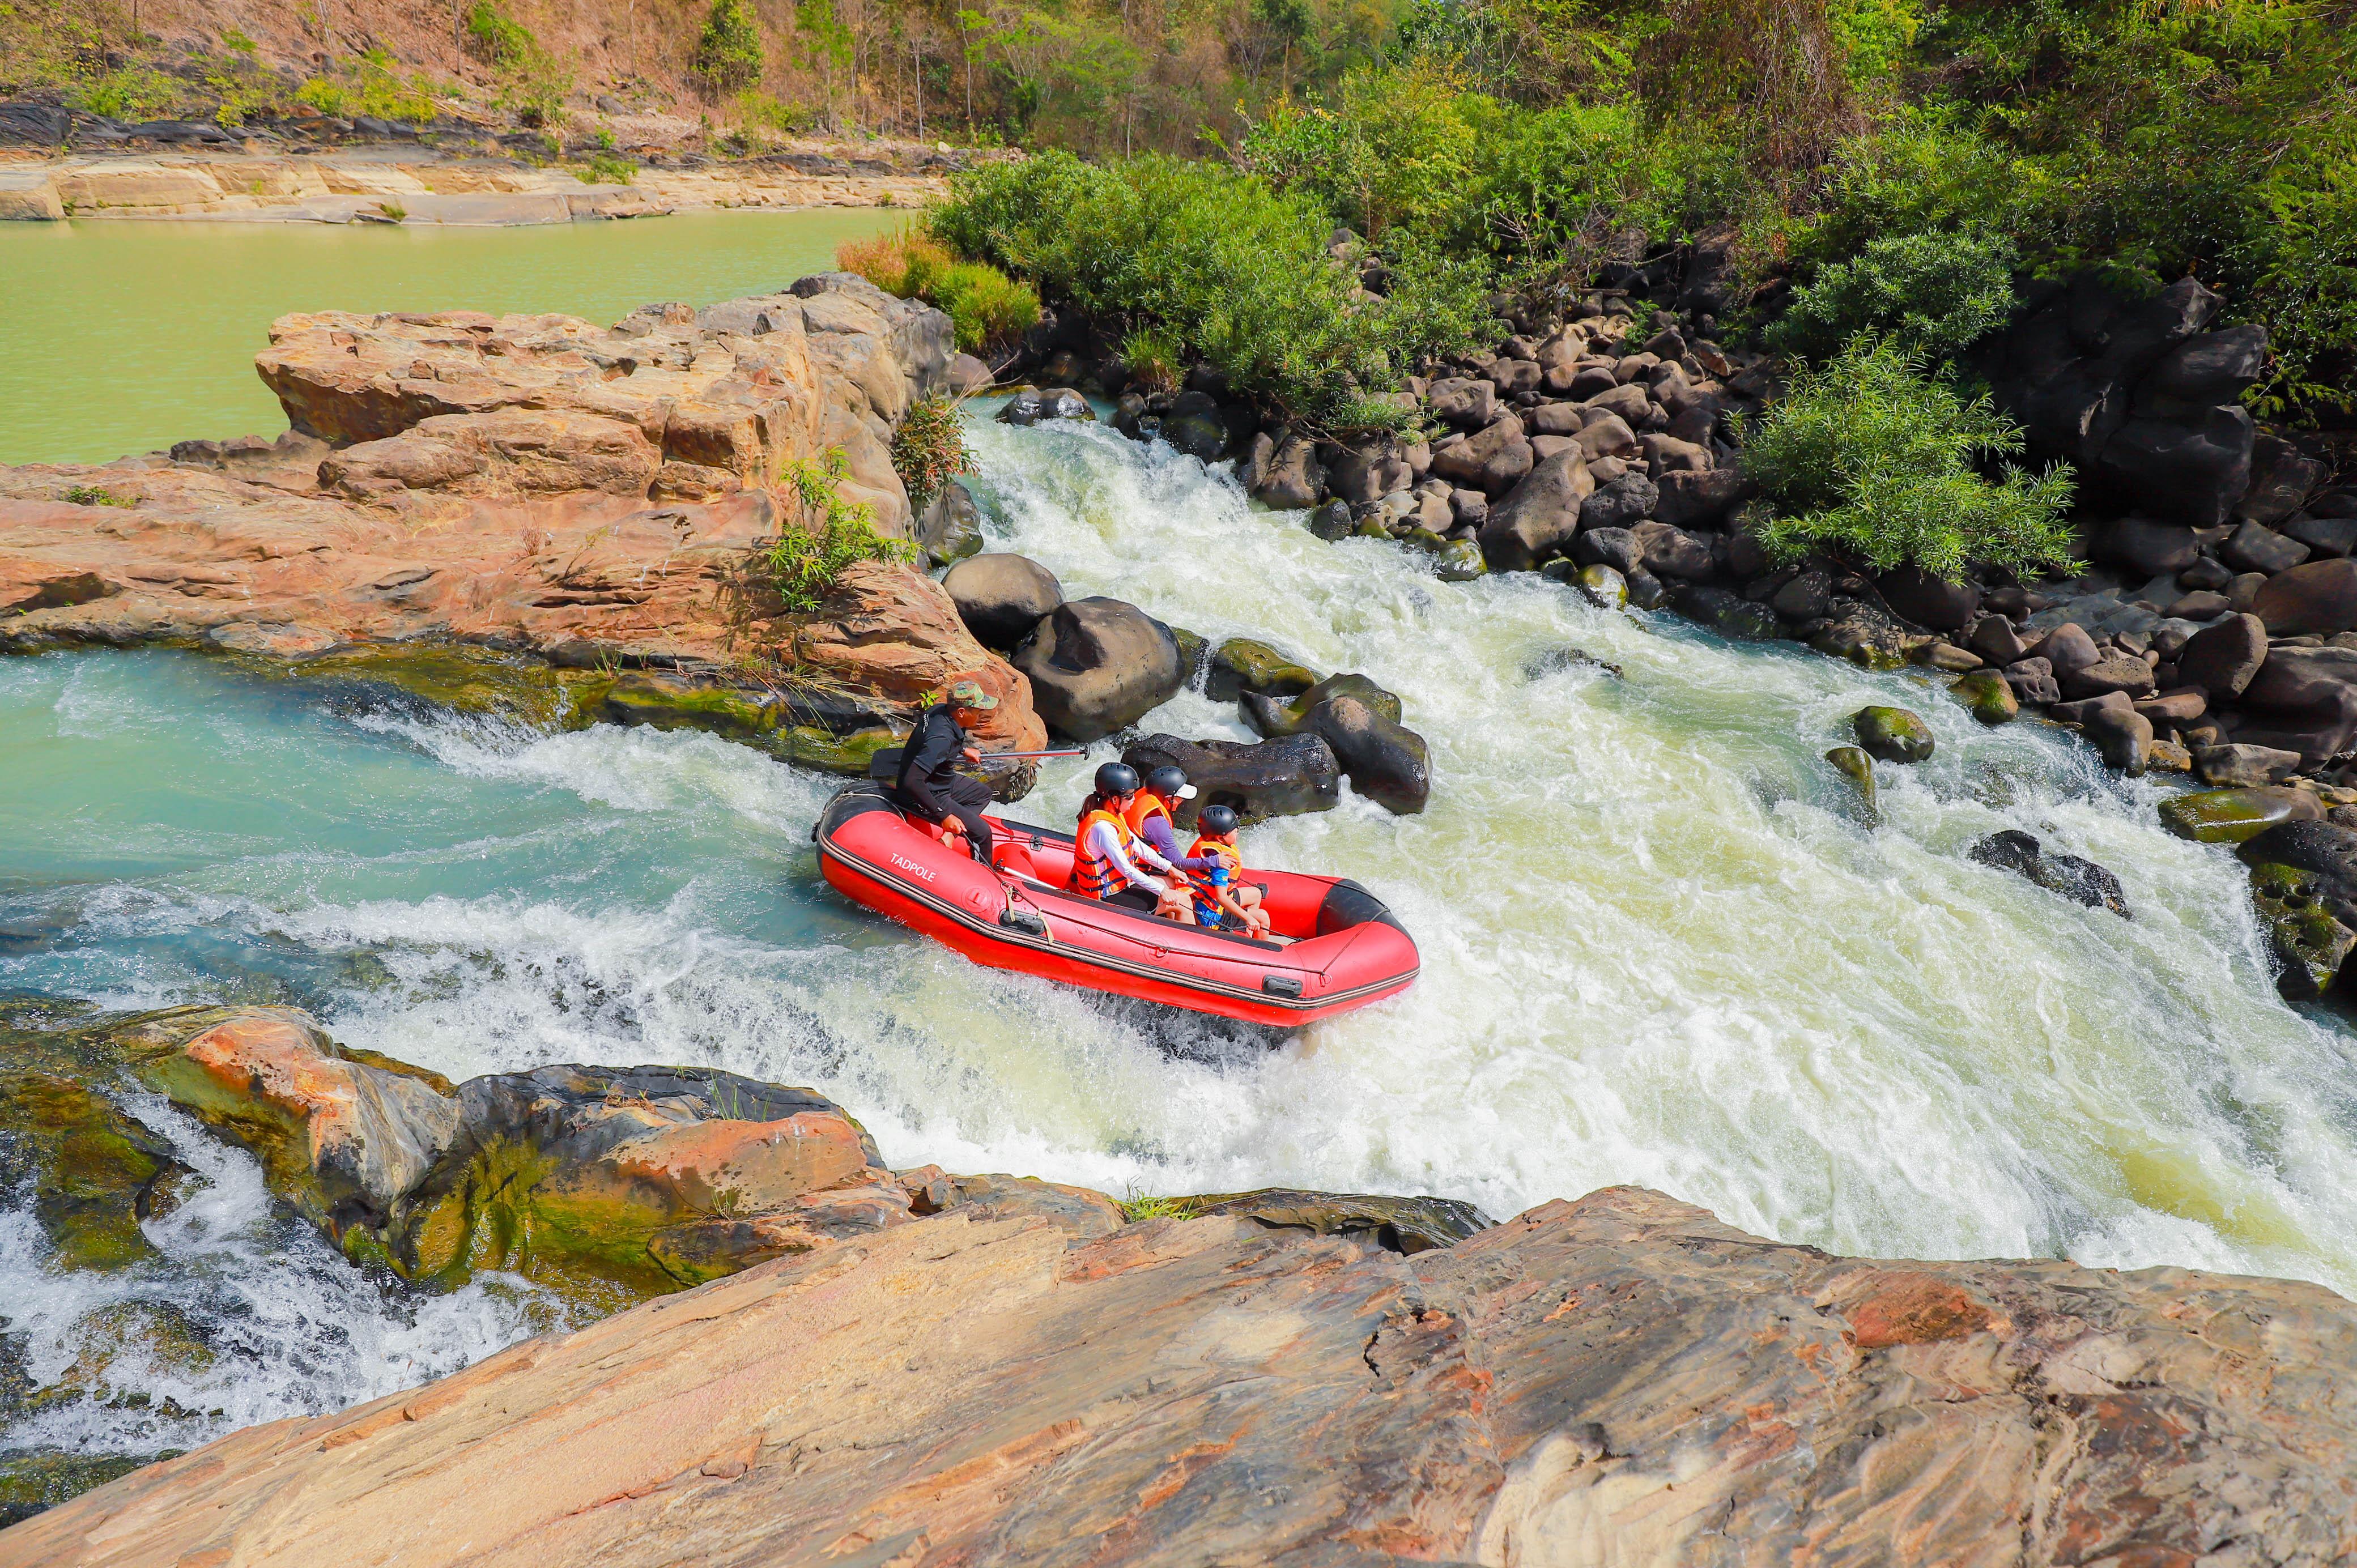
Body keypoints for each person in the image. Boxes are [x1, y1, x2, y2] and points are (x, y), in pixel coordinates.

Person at [893, 677, 999, 863]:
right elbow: (912, 781)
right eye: (979, 711)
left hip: (942, 780)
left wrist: (963, 749)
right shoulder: (941, 739)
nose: (982, 715)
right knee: (983, 833)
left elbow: (934, 741)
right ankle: (985, 878)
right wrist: (944, 815)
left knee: (982, 794)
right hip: (927, 793)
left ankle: (949, 837)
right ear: (961, 712)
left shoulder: (939, 711)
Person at [1072, 762, 1195, 921]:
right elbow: (1126, 869)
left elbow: (1138, 847)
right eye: (1129, 796)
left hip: (1122, 886)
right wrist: (1161, 891)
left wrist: (1170, 868)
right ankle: (1186, 943)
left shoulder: (1114, 815)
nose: (1134, 800)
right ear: (1115, 799)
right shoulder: (1103, 828)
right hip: (1108, 897)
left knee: (1172, 885)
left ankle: (1168, 931)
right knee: (1183, 902)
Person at [1121, 765, 1227, 889]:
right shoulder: (1158, 824)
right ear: (1168, 799)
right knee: (1183, 885)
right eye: (1180, 798)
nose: (1182, 801)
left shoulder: (1144, 794)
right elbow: (1180, 863)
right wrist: (1214, 861)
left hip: (1132, 858)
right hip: (1132, 871)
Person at [1184, 803, 1271, 938]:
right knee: (1263, 917)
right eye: (1234, 829)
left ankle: (1243, 933)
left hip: (1208, 901)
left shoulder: (1212, 842)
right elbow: (1221, 897)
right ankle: (1262, 955)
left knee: (1255, 894)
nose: (1238, 830)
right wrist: (1249, 918)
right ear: (1220, 838)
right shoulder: (1221, 860)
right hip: (1211, 914)